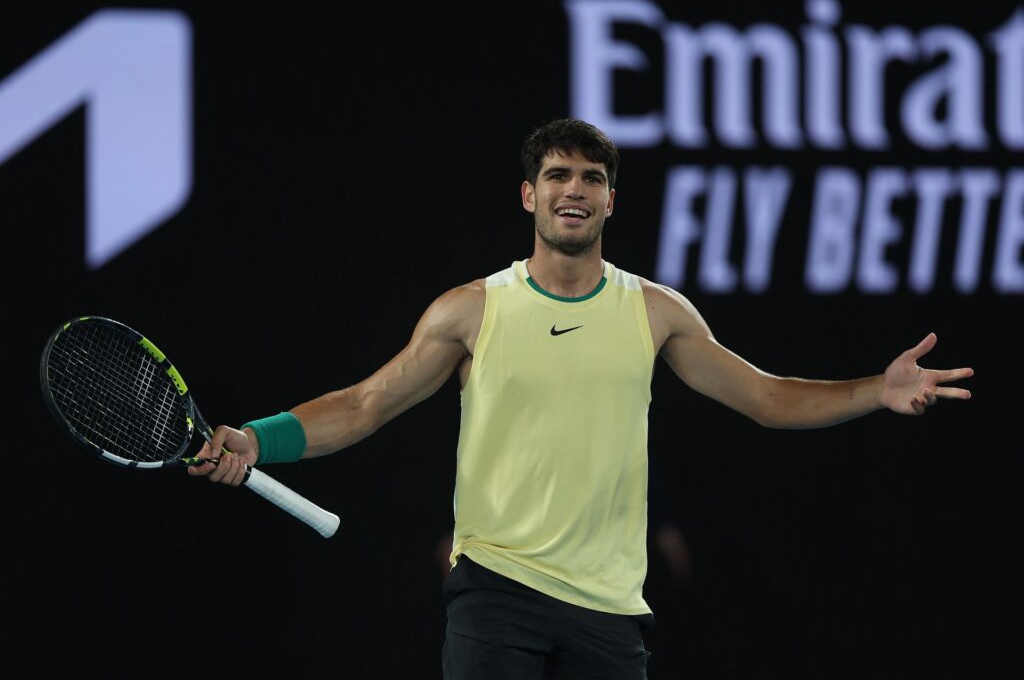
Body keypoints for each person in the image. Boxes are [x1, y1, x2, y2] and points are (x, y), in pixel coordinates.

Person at [189, 118, 973, 679]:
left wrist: (878, 388)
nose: (575, 190)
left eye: (591, 179)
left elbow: (767, 398)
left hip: (608, 610)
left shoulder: (657, 312)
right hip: (496, 593)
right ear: (529, 196)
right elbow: (364, 404)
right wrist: (257, 440)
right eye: (558, 176)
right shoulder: (472, 309)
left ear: (609, 202)